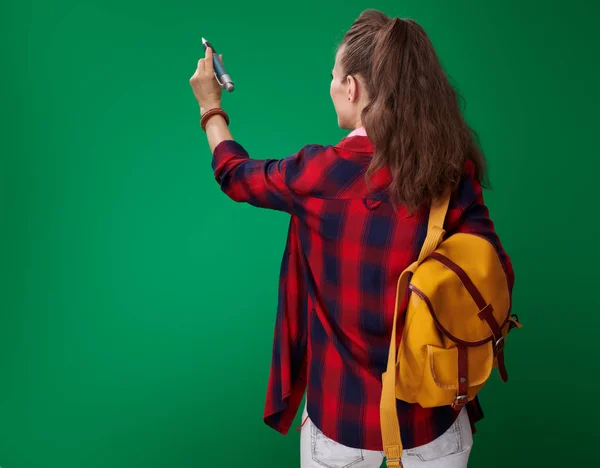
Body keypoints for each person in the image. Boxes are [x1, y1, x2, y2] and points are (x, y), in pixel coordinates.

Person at [189, 9, 514, 468]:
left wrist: (210, 107)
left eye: (334, 75)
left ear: (353, 87)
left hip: (341, 423)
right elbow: (496, 274)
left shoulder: (320, 174)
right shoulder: (451, 174)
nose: (331, 86)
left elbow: (235, 174)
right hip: (435, 419)